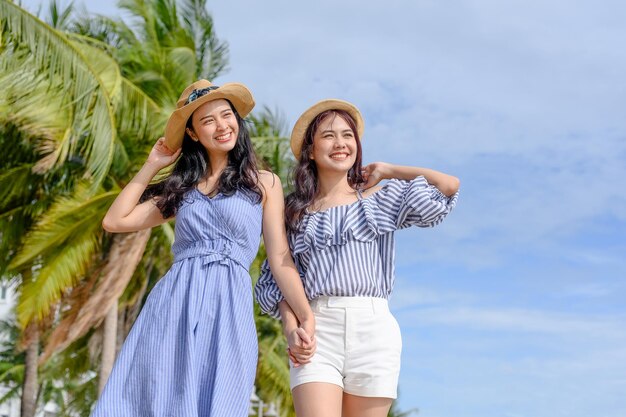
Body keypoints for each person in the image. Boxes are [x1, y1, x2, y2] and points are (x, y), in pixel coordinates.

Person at [93, 80, 315, 417]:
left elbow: (279, 256)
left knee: (222, 396)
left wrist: (305, 315)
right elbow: (115, 220)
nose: (221, 125)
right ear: (194, 134)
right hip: (174, 302)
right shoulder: (182, 189)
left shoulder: (263, 182)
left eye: (226, 115)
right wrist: (153, 163)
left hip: (229, 302)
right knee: (158, 394)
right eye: (208, 120)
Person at [255, 99, 460, 417]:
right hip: (316, 329)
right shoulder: (294, 213)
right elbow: (277, 278)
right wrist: (290, 327)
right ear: (310, 150)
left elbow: (448, 187)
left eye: (347, 135)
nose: (340, 143)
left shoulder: (379, 199)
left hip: (374, 329)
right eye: (328, 136)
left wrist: (390, 170)